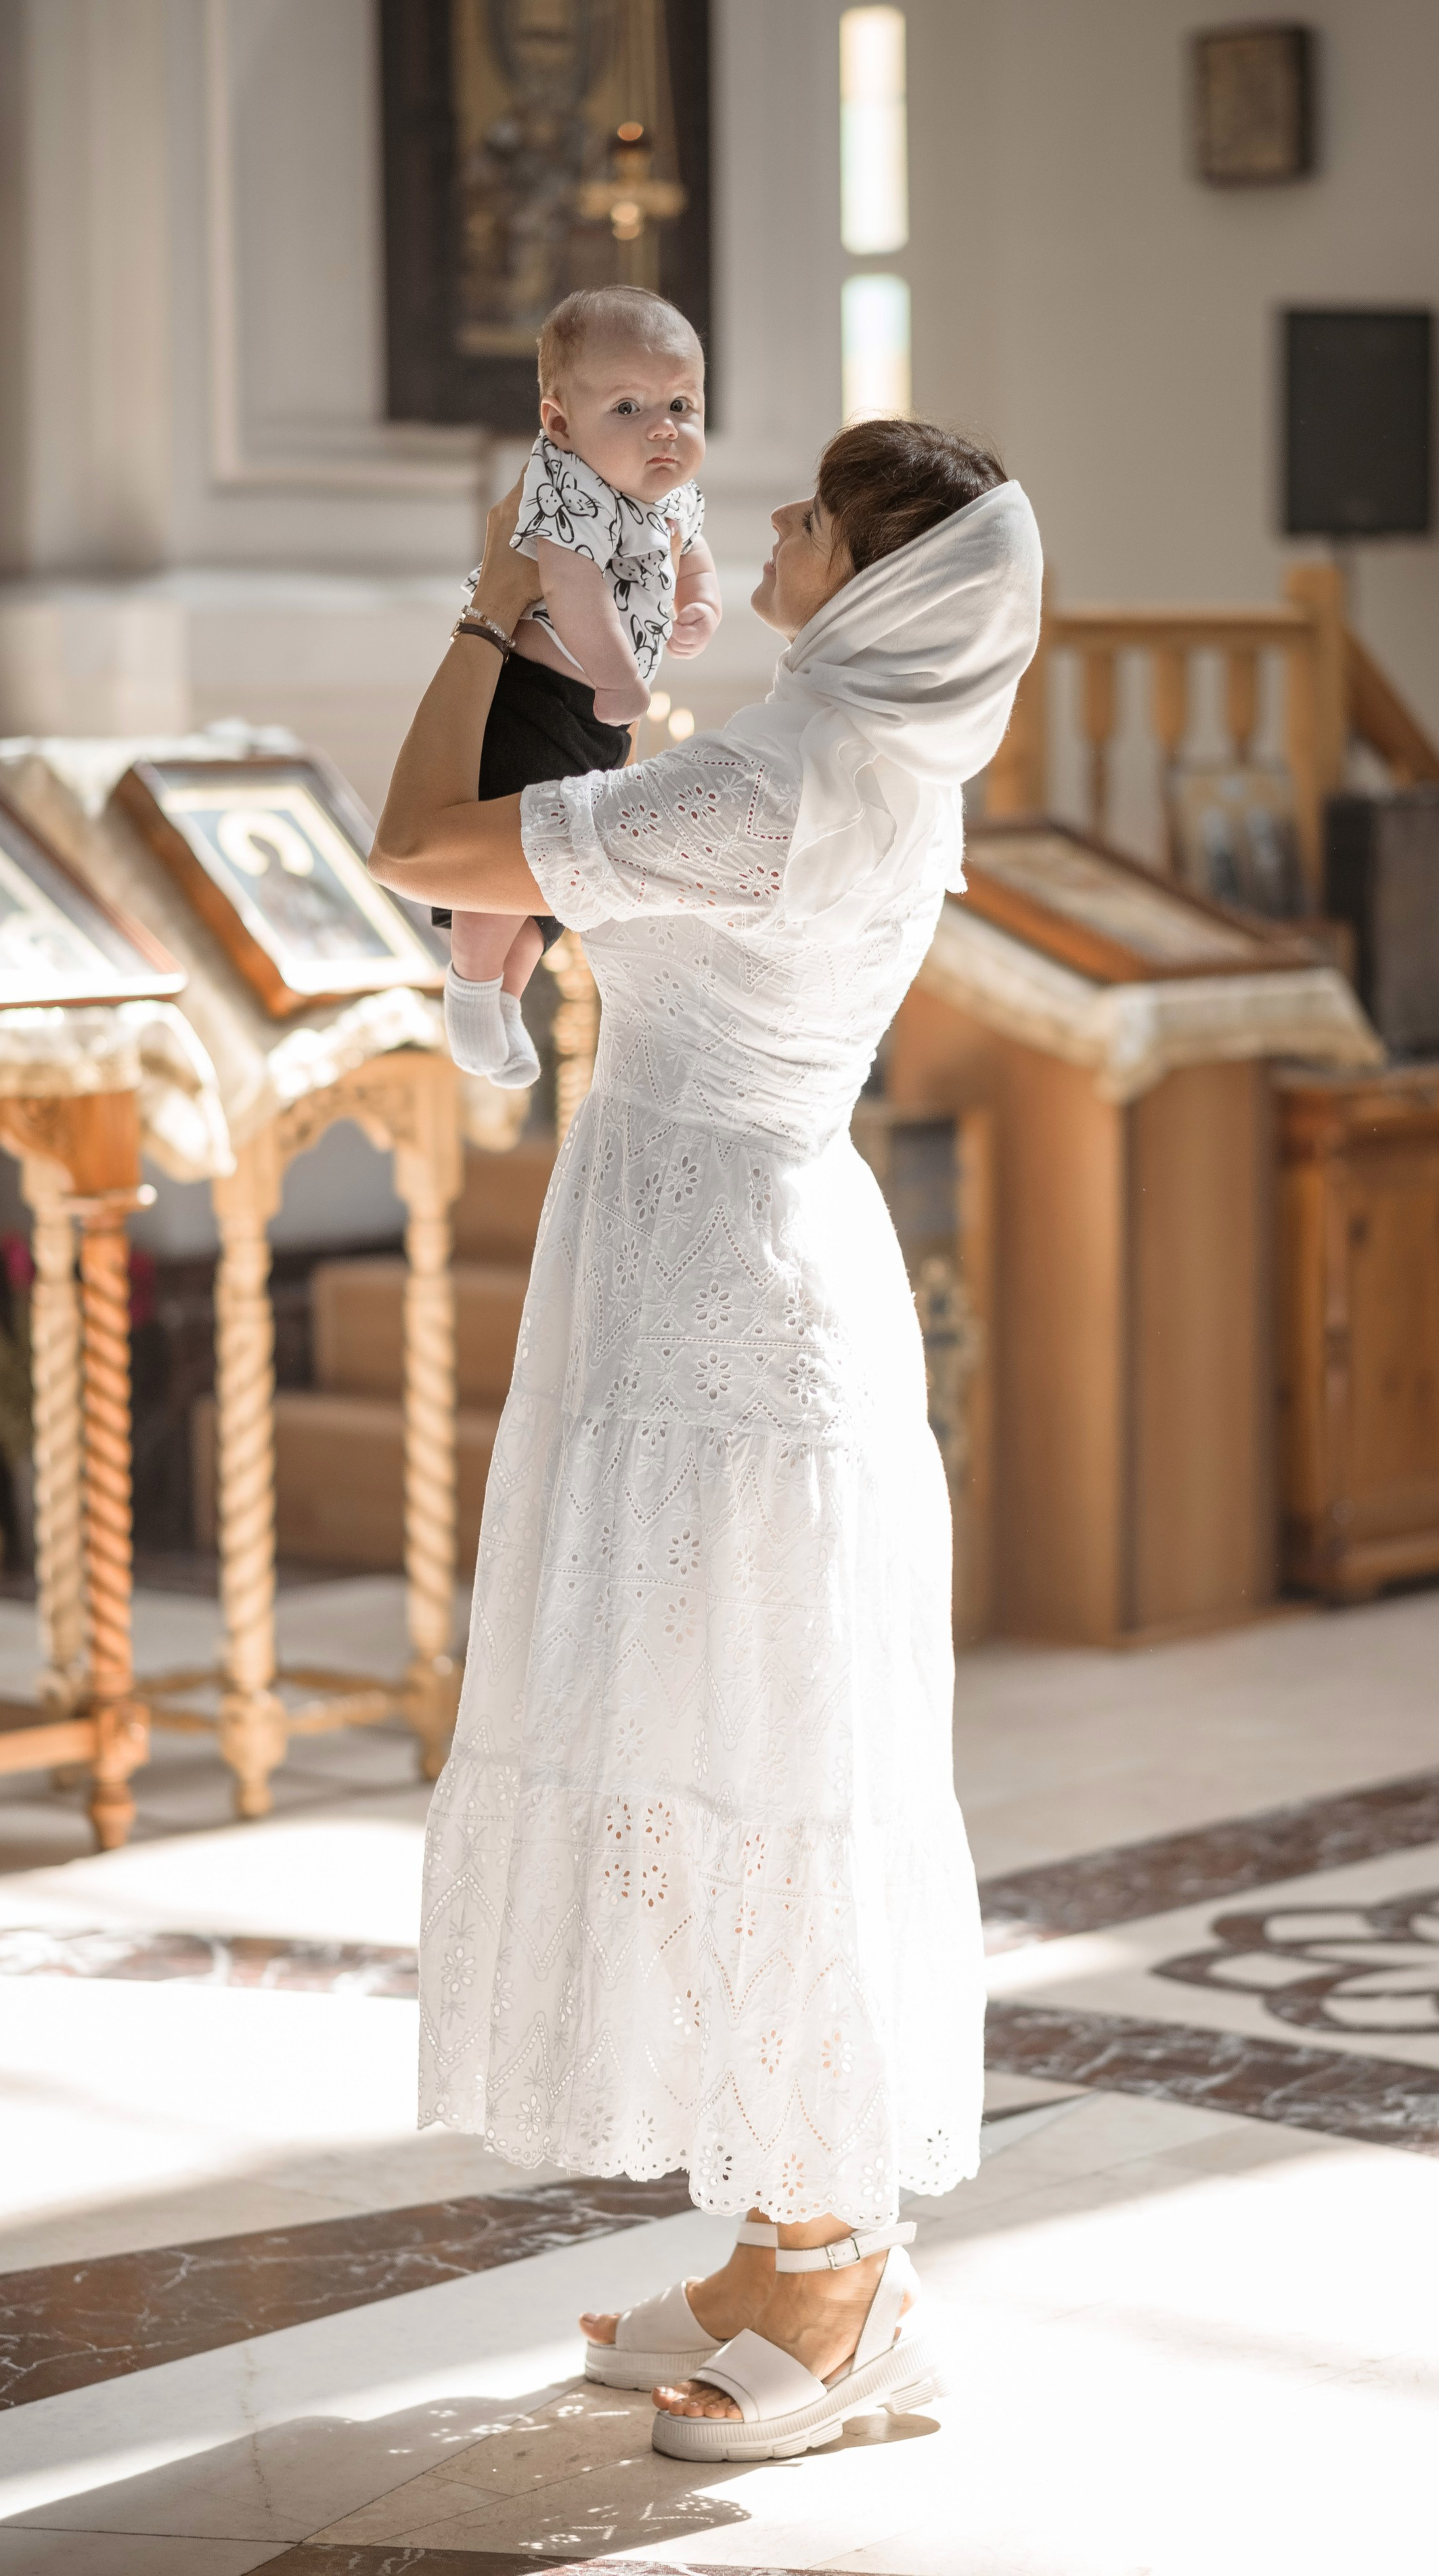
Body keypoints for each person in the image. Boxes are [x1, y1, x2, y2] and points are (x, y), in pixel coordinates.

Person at [370, 416, 1042, 2464]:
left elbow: (418, 841)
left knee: (759, 1765)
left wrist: (493, 600)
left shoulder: (781, 779)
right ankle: (776, 2236)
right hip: (709, 1269)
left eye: (809, 517)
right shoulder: (853, 752)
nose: (770, 522)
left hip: (730, 1319)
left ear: (880, 582)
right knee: (700, 1749)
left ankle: (846, 2282)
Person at [437, 285, 720, 1092]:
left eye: (681, 405)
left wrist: (700, 607)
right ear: (559, 424)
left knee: (550, 881)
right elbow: (573, 591)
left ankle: (505, 999)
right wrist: (619, 678)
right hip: (537, 697)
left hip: (593, 715)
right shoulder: (566, 487)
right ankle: (469, 989)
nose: (663, 428)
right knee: (504, 861)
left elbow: (695, 561)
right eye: (628, 408)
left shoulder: (671, 491)